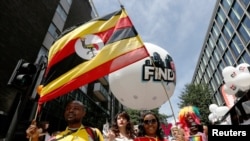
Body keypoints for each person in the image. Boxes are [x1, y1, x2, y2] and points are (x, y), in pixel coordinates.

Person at [26, 100, 104, 141]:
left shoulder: (93, 132)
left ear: (84, 113)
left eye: (76, 108)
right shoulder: (55, 137)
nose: (70, 111)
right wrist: (34, 138)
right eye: (67, 109)